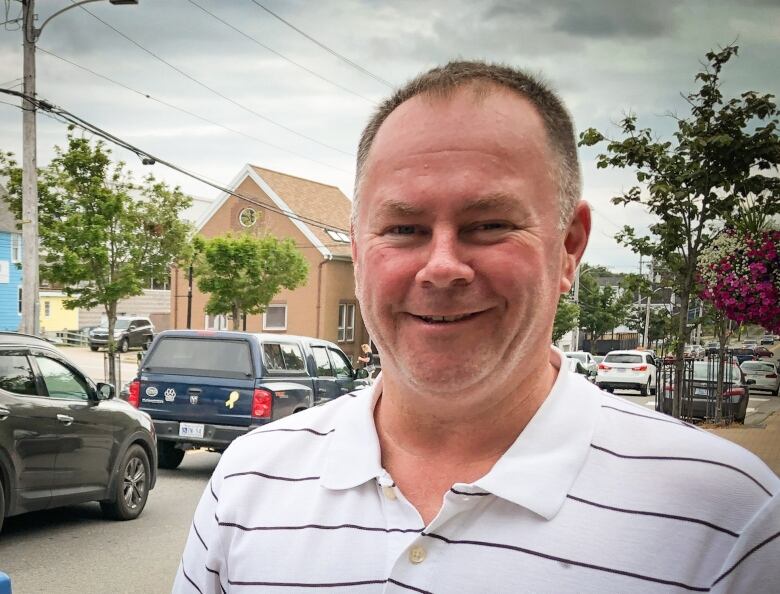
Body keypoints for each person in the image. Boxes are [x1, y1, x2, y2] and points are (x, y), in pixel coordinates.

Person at [173, 61, 779, 593]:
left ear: (569, 247)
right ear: (358, 249)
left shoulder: (726, 516)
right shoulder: (249, 480)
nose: (441, 267)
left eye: (488, 224)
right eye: (404, 229)